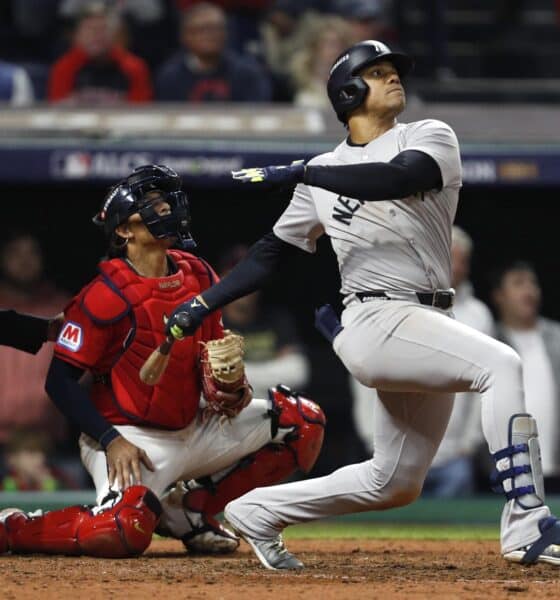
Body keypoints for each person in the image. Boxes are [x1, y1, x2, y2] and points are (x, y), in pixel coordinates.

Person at [165, 40, 560, 570]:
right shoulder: (323, 171)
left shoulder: (428, 135)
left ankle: (256, 510)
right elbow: (271, 254)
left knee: (393, 483)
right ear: (348, 92)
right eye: (377, 72)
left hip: (426, 319)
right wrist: (201, 302)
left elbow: (396, 178)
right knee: (501, 364)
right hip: (377, 318)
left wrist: (303, 171)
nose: (394, 78)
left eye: (393, 70)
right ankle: (527, 523)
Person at [0, 165, 324, 559]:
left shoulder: (197, 272)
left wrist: (233, 390)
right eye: (152, 205)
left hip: (195, 423)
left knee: (302, 422)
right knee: (120, 531)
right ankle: (14, 529)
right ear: (124, 231)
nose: (167, 210)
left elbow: (211, 357)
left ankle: (188, 511)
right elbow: (59, 382)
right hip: (131, 437)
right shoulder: (104, 294)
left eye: (166, 202)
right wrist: (111, 441)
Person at [422, 225, 494, 497]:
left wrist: (470, 442)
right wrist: (372, 437)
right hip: (403, 452)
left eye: (462, 260)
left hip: (456, 457)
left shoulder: (479, 315)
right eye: (450, 257)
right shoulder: (405, 303)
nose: (456, 266)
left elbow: (485, 381)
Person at [492, 261, 560, 492]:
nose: (529, 291)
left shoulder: (556, 338)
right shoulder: (490, 342)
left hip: (554, 472)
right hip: (506, 474)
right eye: (519, 283)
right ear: (499, 296)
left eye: (533, 283)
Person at [0, 233, 69, 445]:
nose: (24, 260)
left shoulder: (65, 309)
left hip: (50, 442)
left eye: (32, 253)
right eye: (16, 253)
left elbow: (86, 369)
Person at [219, 245, 311, 399]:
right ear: (221, 279)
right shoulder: (211, 324)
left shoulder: (278, 319)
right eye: (237, 275)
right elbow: (211, 379)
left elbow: (297, 373)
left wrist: (237, 376)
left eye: (251, 275)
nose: (245, 282)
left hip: (274, 413)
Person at [155, 2, 271, 102]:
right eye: (201, 29)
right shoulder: (170, 77)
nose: (209, 36)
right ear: (185, 36)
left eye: (216, 29)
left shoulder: (248, 73)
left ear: (226, 33)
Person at [48, 2, 152, 105]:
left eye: (102, 29)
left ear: (115, 34)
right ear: (77, 35)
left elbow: (141, 112)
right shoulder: (64, 67)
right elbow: (57, 111)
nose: (96, 36)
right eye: (90, 29)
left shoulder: (134, 67)